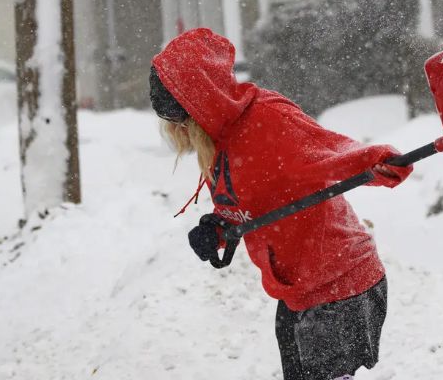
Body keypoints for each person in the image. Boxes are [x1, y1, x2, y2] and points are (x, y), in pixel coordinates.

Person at [150, 28, 413, 380]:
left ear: (197, 107)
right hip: (298, 294)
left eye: (178, 122)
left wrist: (380, 161)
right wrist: (220, 229)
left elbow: (333, 150)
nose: (174, 133)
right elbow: (251, 201)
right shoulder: (218, 142)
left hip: (340, 287)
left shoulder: (268, 119)